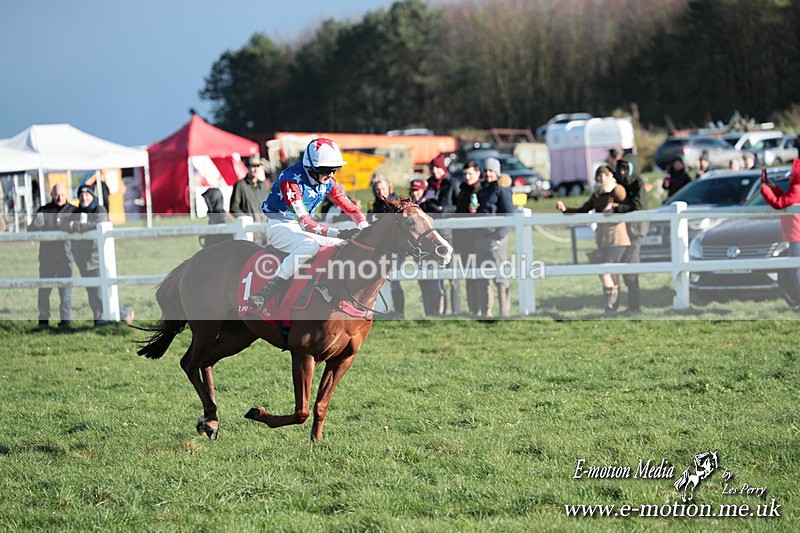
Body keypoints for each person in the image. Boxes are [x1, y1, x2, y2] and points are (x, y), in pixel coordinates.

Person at [248, 138, 368, 311]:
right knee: (309, 246)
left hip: (302, 225)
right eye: (327, 170)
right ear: (311, 168)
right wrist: (339, 232)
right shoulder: (290, 181)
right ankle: (266, 293)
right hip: (280, 225)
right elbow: (304, 223)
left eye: (335, 170)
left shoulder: (327, 182)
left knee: (344, 245)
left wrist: (364, 228)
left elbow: (350, 207)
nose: (331, 175)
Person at [557, 165, 629, 312]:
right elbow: (584, 209)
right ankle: (612, 305)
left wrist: (614, 207)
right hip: (603, 237)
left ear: (610, 176)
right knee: (608, 271)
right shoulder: (598, 193)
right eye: (599, 176)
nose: (601, 178)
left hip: (617, 236)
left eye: (604, 175)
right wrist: (566, 210)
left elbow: (627, 205)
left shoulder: (617, 189)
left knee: (605, 269)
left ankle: (611, 305)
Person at [70, 185, 135, 325]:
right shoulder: (76, 212)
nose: (84, 197)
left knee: (101, 291)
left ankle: (124, 313)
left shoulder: (99, 209)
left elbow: (99, 223)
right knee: (92, 292)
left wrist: (78, 227)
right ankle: (99, 320)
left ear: (92, 196)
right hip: (81, 258)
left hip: (97, 257)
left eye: (87, 194)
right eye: (81, 194)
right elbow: (66, 225)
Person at [29, 183, 75, 329]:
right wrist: (36, 225)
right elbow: (30, 230)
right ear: (51, 194)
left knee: (65, 293)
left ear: (66, 193)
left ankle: (65, 322)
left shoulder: (73, 211)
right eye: (56, 194)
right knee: (44, 291)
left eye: (61, 193)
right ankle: (43, 322)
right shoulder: (44, 210)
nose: (59, 196)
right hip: (47, 257)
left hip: (66, 257)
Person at [418, 154, 459, 315]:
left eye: (437, 167)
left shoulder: (453, 184)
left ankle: (455, 313)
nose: (435, 171)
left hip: (449, 235)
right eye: (432, 168)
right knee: (435, 276)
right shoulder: (428, 185)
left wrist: (443, 210)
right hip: (431, 237)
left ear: (443, 168)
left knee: (453, 277)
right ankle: (439, 312)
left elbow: (458, 207)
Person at [475, 157, 514, 318]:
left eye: (491, 171)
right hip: (481, 237)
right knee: (484, 277)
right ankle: (486, 312)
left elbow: (510, 214)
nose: (488, 174)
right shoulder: (482, 189)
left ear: (497, 172)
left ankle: (504, 312)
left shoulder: (502, 190)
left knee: (500, 276)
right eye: (486, 171)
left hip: (496, 238)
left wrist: (499, 236)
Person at [760, 159, 800, 308]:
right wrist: (773, 187)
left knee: (796, 271)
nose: (790, 176)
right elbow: (785, 200)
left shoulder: (797, 188)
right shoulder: (796, 188)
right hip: (796, 235)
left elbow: (779, 204)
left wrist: (765, 189)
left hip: (797, 236)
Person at [613, 156, 648, 313]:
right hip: (622, 231)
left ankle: (635, 306)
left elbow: (637, 206)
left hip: (634, 231)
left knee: (630, 269)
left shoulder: (637, 184)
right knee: (624, 269)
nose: (622, 172)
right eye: (621, 169)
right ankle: (630, 305)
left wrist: (617, 209)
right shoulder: (621, 184)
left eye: (625, 169)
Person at [367, 175, 405, 318]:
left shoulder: (395, 204)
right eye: (377, 189)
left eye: (382, 188)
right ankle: (381, 311)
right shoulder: (375, 204)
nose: (380, 192)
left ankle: (400, 313)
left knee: (394, 281)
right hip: (379, 249)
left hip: (394, 249)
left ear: (389, 188)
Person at [454, 161, 482, 315]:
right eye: (465, 174)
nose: (467, 177)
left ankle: (480, 308)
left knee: (478, 275)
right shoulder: (463, 190)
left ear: (478, 173)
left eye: (470, 173)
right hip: (463, 238)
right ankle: (472, 309)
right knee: (468, 275)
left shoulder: (480, 190)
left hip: (476, 237)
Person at [231, 155, 270, 243]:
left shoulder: (263, 186)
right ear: (248, 168)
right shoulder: (240, 185)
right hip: (249, 231)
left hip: (264, 231)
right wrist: (247, 219)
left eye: (257, 166)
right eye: (252, 166)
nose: (255, 169)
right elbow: (234, 208)